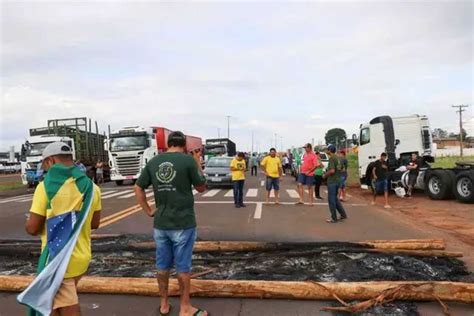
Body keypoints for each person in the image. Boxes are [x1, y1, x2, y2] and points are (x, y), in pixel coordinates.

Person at [22, 142, 102, 316]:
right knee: (52, 306)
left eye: (44, 164)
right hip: (81, 257)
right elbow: (94, 223)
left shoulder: (45, 187)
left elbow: (33, 228)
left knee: (66, 306)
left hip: (59, 260)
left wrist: (32, 222)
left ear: (50, 161)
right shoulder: (92, 187)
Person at [134, 131, 208, 316]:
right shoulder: (188, 161)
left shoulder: (154, 162)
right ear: (184, 145)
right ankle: (185, 307)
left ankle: (164, 304)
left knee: (162, 265)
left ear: (168, 144)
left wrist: (148, 210)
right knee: (183, 267)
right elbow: (201, 187)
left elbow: (138, 187)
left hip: (161, 224)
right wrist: (198, 164)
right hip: (183, 223)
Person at [323, 144, 347, 223]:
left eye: (327, 150)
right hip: (338, 180)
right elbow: (343, 169)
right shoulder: (338, 158)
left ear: (330, 151)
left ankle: (334, 218)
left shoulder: (332, 159)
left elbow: (332, 170)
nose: (326, 151)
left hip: (332, 181)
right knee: (336, 199)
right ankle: (343, 214)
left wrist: (325, 175)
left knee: (331, 200)